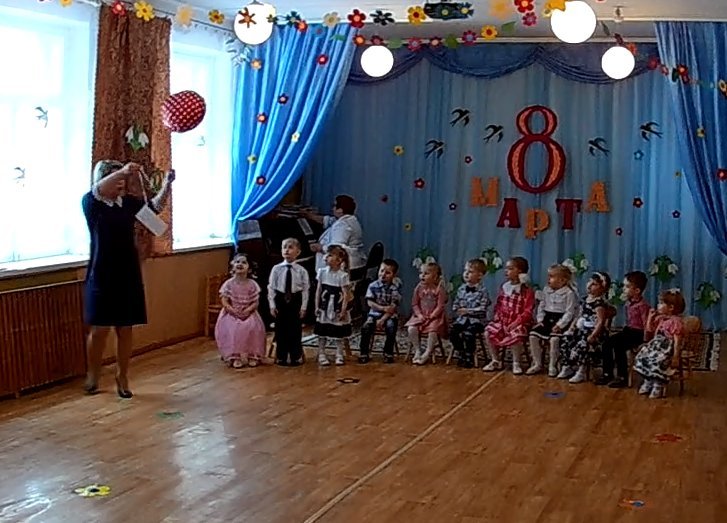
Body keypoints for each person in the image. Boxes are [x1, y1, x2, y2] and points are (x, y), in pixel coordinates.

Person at [82, 160, 173, 398]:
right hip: (102, 274)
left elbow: (154, 210)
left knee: (125, 328)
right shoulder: (92, 203)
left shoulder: (129, 204)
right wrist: (123, 170)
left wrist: (167, 184)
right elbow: (97, 190)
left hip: (127, 273)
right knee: (99, 329)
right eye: (115, 178)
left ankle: (122, 376)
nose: (121, 182)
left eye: (122, 178)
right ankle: (93, 374)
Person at [596, 271, 651, 388]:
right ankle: (607, 373)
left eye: (627, 286)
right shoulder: (628, 303)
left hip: (638, 333)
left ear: (637, 290)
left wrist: (646, 339)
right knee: (607, 343)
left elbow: (646, 323)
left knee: (619, 346)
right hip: (628, 330)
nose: (624, 289)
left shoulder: (642, 306)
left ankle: (622, 377)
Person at [557, 272, 611, 384]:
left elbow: (601, 322)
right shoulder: (585, 299)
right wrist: (572, 327)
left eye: (594, 284)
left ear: (603, 288)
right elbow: (579, 315)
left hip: (594, 332)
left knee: (583, 342)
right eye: (589, 282)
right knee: (566, 338)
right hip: (582, 329)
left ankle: (581, 370)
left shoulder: (599, 303)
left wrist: (593, 335)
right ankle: (567, 366)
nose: (589, 286)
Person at [483, 256, 535, 375]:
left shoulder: (527, 291)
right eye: (506, 268)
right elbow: (499, 304)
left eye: (510, 269)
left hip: (519, 322)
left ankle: (516, 362)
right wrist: (497, 316)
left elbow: (527, 312)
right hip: (503, 320)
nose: (506, 271)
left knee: (516, 334)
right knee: (488, 332)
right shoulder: (504, 287)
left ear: (520, 272)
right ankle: (495, 360)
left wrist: (516, 323)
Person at [214, 253, 267, 369]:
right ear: (233, 266)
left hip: (249, 312)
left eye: (244, 262)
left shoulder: (252, 284)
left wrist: (248, 310)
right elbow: (224, 301)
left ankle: (253, 355)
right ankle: (235, 356)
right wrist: (232, 310)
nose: (240, 264)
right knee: (233, 330)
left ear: (249, 269)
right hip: (231, 313)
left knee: (254, 329)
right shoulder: (228, 284)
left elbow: (255, 302)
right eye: (237, 262)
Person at [527, 264, 578, 376]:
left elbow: (569, 312)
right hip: (547, 319)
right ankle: (537, 363)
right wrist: (540, 320)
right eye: (548, 276)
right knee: (533, 336)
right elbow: (541, 306)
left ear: (562, 280)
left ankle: (552, 365)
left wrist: (560, 325)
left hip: (559, 321)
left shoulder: (569, 293)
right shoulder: (546, 290)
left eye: (551, 276)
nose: (548, 279)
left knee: (554, 340)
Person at [634, 289, 686, 399]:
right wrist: (650, 318)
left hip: (666, 348)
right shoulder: (660, 319)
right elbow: (649, 331)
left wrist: (676, 356)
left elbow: (677, 340)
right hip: (655, 346)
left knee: (658, 360)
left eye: (661, 303)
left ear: (671, 307)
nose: (658, 305)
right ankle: (648, 380)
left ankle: (658, 384)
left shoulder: (675, 322)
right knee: (643, 356)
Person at [267, 238, 310, 366]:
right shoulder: (276, 269)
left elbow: (305, 290)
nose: (287, 250)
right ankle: (281, 356)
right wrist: (272, 305)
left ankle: (295, 356)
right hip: (280, 300)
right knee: (281, 329)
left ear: (298, 252)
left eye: (290, 247)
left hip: (295, 300)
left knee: (295, 329)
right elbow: (271, 288)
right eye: (284, 247)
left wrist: (304, 307)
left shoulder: (301, 270)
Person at [314, 245, 353, 366]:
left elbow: (345, 294)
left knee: (338, 332)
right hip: (325, 305)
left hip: (336, 306)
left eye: (330, 255)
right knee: (322, 331)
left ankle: (339, 354)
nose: (326, 257)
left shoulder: (343, 276)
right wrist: (316, 306)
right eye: (327, 254)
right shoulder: (322, 272)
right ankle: (321, 353)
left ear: (339, 260)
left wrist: (343, 310)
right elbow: (319, 290)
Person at [307, 194, 366, 272]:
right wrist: (308, 215)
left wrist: (320, 247)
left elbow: (336, 249)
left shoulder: (343, 225)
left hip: (344, 267)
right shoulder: (350, 220)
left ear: (340, 210)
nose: (332, 209)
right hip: (355, 262)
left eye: (334, 206)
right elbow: (328, 220)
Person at [358, 259, 401, 364]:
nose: (383, 275)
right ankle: (364, 352)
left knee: (391, 327)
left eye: (387, 273)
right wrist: (382, 308)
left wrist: (382, 319)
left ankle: (388, 353)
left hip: (388, 316)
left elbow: (393, 307)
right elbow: (370, 302)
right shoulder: (372, 286)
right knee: (366, 327)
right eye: (381, 271)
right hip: (374, 314)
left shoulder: (394, 288)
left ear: (394, 275)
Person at [450, 259, 490, 368]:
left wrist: (468, 311)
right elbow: (456, 304)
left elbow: (483, 308)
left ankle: (469, 355)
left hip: (477, 321)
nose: (466, 274)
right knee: (453, 332)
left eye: (470, 271)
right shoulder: (461, 289)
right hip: (462, 320)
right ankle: (461, 352)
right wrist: (457, 309)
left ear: (480, 275)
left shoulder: (483, 291)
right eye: (465, 271)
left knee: (469, 333)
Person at [406, 262, 448, 365]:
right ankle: (417, 350)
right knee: (411, 328)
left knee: (433, 331)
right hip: (420, 315)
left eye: (426, 273)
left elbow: (440, 306)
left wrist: (433, 315)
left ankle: (427, 352)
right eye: (421, 273)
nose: (422, 276)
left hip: (434, 317)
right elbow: (415, 304)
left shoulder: (439, 290)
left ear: (435, 277)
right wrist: (419, 315)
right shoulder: (418, 288)